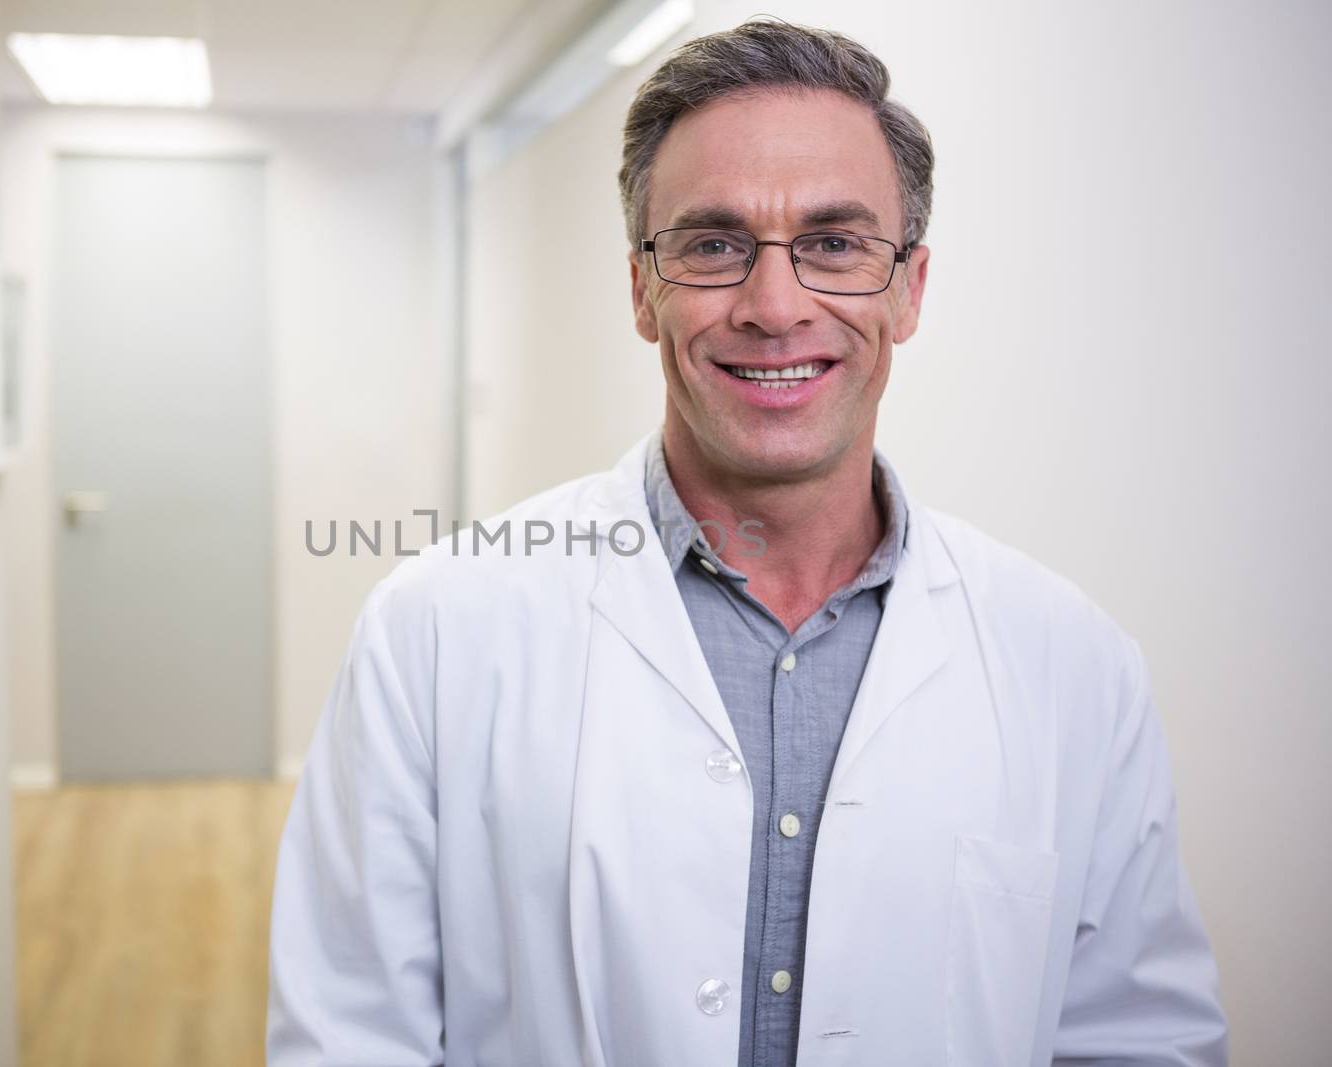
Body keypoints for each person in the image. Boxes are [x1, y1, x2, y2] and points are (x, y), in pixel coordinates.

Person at [266, 17, 1228, 1066]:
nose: (774, 306)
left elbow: (1137, 1038)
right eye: (714, 243)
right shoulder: (434, 630)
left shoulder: (1070, 664)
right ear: (644, 289)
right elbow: (350, 1037)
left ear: (906, 288)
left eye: (834, 244)